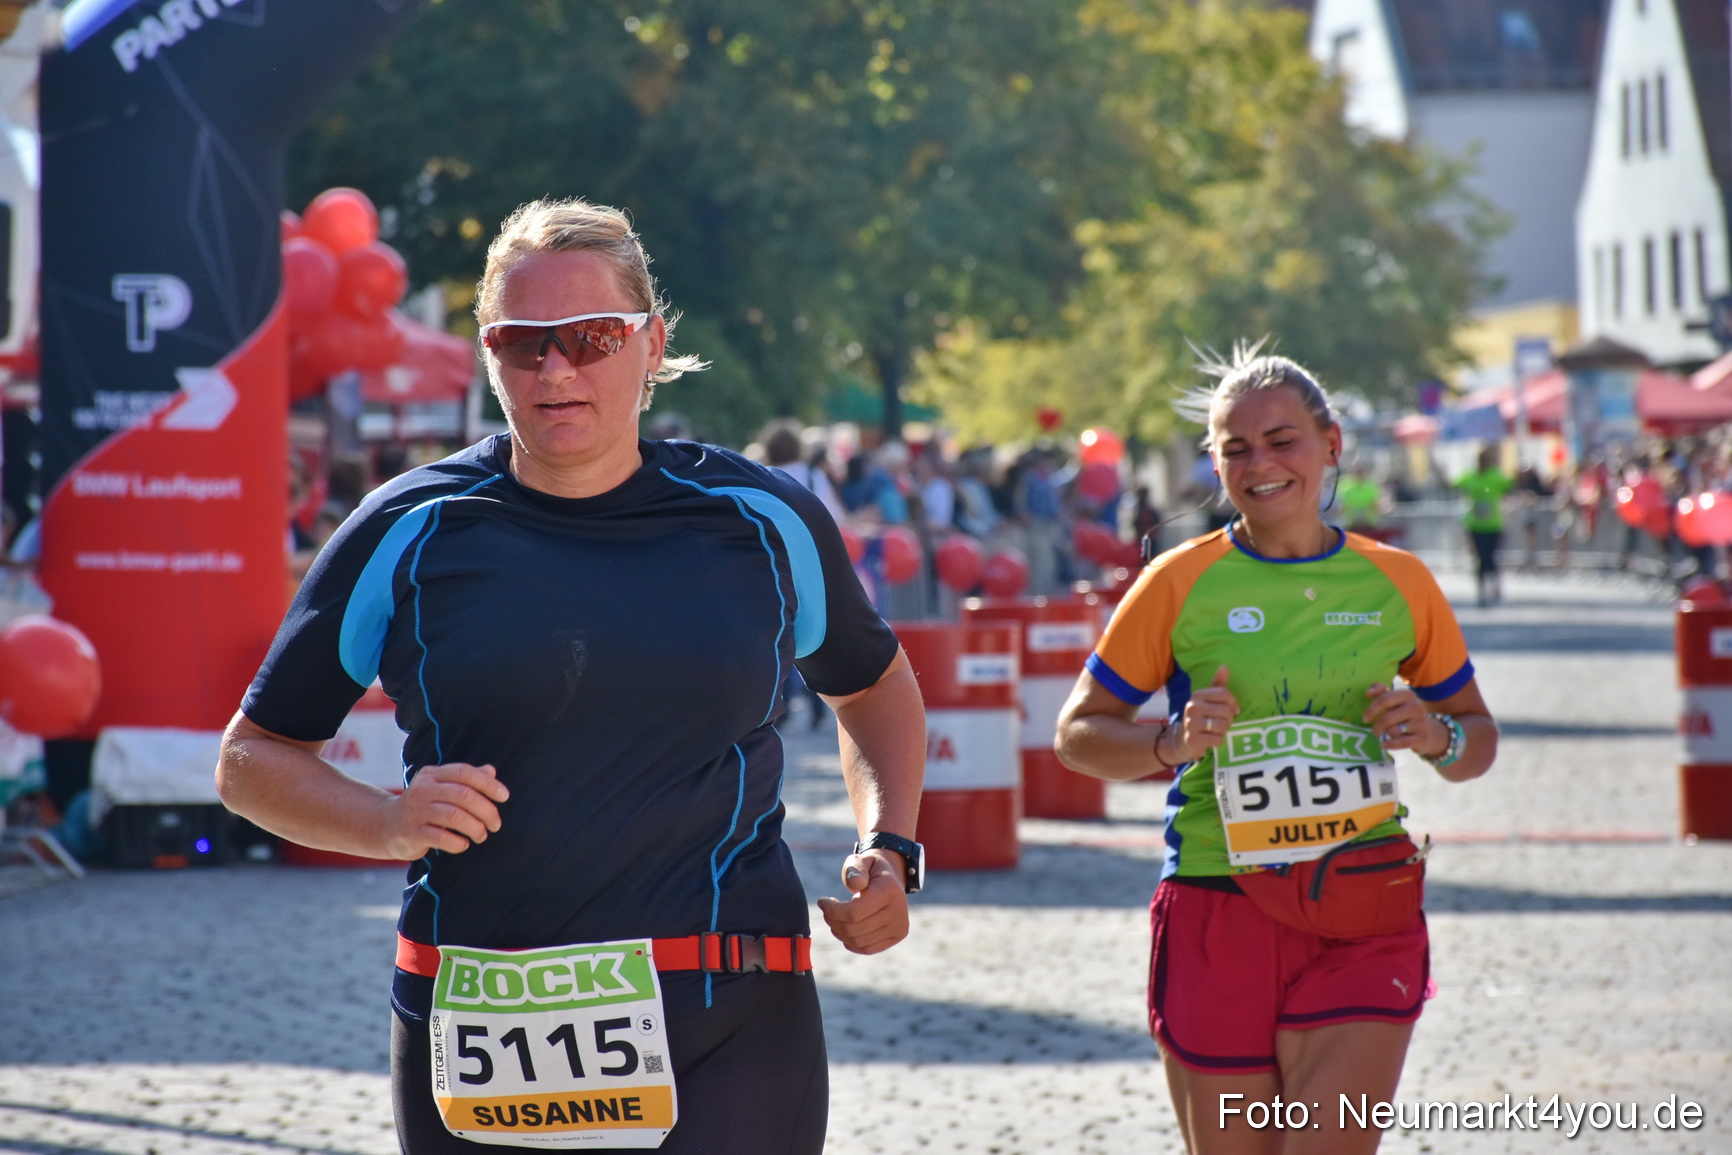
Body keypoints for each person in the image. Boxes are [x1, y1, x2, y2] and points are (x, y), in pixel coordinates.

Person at [216, 197, 928, 1155]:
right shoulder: (408, 527)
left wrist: (891, 845)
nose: (555, 368)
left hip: (731, 1012)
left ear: (650, 341)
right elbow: (251, 757)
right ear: (487, 352)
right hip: (480, 1011)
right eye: (522, 342)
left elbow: (874, 687)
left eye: (590, 337)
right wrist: (384, 821)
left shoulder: (761, 518)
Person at [1053, 346, 1496, 1155]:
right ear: (1216, 462)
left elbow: (1477, 740)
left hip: (1363, 904)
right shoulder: (1177, 581)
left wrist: (1439, 735)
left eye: (1282, 439)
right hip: (1219, 905)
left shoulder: (1398, 581)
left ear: (1331, 445)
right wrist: (1168, 740)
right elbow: (1078, 736)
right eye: (1236, 448)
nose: (1260, 464)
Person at [1456, 446, 1513, 606]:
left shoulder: (1495, 476)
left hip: (1494, 524)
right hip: (1475, 525)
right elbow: (1453, 485)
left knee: (1491, 558)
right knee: (1480, 559)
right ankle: (1481, 591)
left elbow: (1509, 487)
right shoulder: (1470, 476)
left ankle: (1495, 585)